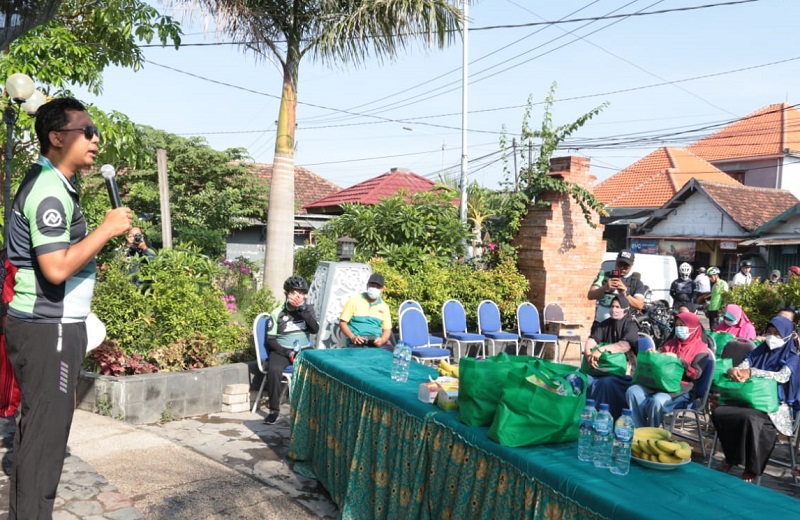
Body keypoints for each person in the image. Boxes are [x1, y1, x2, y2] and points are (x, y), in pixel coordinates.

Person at [4, 97, 132, 519]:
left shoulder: (54, 183)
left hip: (49, 327)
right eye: (86, 130)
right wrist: (107, 228)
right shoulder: (48, 192)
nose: (96, 139)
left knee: (38, 435)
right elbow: (55, 269)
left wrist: (110, 239)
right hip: (49, 329)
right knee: (45, 441)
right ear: (57, 137)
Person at [711, 315, 800, 482]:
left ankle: (752, 468)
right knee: (720, 412)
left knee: (750, 419)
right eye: (770, 332)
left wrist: (753, 373)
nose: (772, 337)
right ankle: (732, 456)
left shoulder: (793, 357)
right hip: (748, 399)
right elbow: (745, 365)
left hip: (774, 406)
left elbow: (782, 376)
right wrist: (734, 371)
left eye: (777, 334)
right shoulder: (759, 351)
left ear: (788, 336)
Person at [625, 312, 712, 427]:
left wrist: (679, 360)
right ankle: (638, 429)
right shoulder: (671, 344)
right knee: (633, 391)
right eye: (677, 325)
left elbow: (695, 374)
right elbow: (660, 362)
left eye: (683, 325)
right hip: (659, 383)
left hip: (681, 389)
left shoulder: (701, 350)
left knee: (657, 401)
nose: (679, 328)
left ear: (694, 327)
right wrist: (654, 355)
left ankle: (651, 431)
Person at [263, 275, 318, 425]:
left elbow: (314, 329)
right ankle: (274, 410)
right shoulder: (277, 313)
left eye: (301, 293)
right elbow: (271, 340)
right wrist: (287, 353)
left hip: (304, 349)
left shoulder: (308, 310)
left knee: (321, 367)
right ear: (287, 293)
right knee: (274, 370)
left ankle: (314, 408)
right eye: (294, 292)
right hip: (283, 350)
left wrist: (303, 311)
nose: (297, 296)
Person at [583, 295, 639, 419]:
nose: (614, 309)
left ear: (625, 309)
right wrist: (588, 353)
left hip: (624, 371)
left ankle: (603, 418)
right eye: (612, 306)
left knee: (605, 383)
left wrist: (601, 349)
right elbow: (592, 340)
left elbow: (625, 345)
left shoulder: (630, 325)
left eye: (618, 307)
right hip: (602, 368)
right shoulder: (604, 324)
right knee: (578, 378)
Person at [587, 250, 647, 329]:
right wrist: (604, 288)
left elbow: (639, 305)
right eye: (620, 264)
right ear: (616, 262)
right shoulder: (603, 276)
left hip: (623, 327)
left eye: (626, 266)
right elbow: (590, 295)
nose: (622, 268)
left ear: (631, 265)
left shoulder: (636, 282)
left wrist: (625, 294)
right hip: (601, 325)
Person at [339, 273, 392, 347]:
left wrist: (382, 340)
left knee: (391, 355)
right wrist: (352, 337)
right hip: (357, 340)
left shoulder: (384, 307)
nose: (374, 288)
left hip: (376, 341)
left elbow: (387, 329)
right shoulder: (353, 301)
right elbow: (342, 323)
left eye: (378, 287)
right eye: (372, 285)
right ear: (367, 286)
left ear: (382, 289)